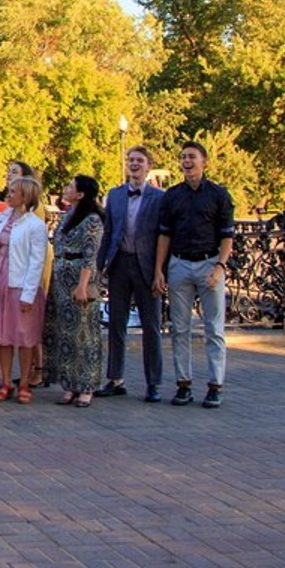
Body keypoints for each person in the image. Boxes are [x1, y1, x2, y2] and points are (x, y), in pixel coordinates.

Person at [153, 140, 235, 409]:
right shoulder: (172, 196)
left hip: (209, 262)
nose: (187, 161)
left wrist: (220, 267)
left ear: (204, 162)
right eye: (183, 157)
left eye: (192, 157)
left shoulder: (219, 195)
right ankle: (183, 383)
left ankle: (215, 384)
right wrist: (159, 270)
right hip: (179, 263)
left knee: (214, 327)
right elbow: (165, 234)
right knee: (180, 327)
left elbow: (227, 236)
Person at [96, 145, 165, 402]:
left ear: (148, 166)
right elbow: (108, 233)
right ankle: (115, 378)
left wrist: (161, 271)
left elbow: (163, 236)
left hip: (146, 265)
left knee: (151, 325)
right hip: (120, 263)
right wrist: (100, 266)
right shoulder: (115, 195)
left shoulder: (160, 198)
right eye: (131, 160)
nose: (134, 164)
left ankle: (153, 383)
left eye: (139, 161)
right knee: (116, 323)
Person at [0, 174, 49, 404]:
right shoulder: (2, 218)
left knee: (24, 335)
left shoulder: (35, 225)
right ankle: (6, 381)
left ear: (25, 196)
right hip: (1, 280)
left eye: (13, 192)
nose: (9, 195)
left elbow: (36, 260)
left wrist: (29, 293)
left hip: (20, 282)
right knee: (2, 335)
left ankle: (25, 382)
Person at [44, 175, 106, 407]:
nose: (65, 188)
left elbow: (91, 255)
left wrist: (83, 285)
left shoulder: (91, 220)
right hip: (61, 274)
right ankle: (70, 383)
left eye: (70, 186)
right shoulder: (69, 215)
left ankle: (87, 385)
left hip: (79, 277)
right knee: (66, 331)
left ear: (81, 193)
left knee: (84, 333)